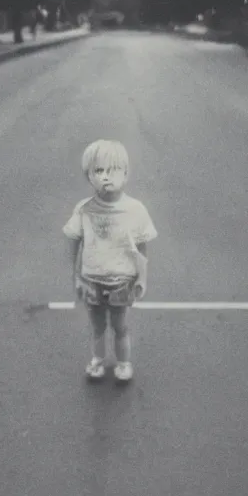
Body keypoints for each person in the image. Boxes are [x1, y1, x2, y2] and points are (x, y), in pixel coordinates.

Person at [63, 140, 157, 382]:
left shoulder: (135, 210)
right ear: (89, 177)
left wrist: (142, 278)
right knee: (96, 326)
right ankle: (98, 359)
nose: (106, 177)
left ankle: (123, 362)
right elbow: (74, 241)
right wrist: (76, 276)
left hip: (122, 280)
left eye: (113, 169)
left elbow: (142, 246)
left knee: (120, 324)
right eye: (98, 171)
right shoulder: (84, 210)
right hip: (91, 279)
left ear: (125, 174)